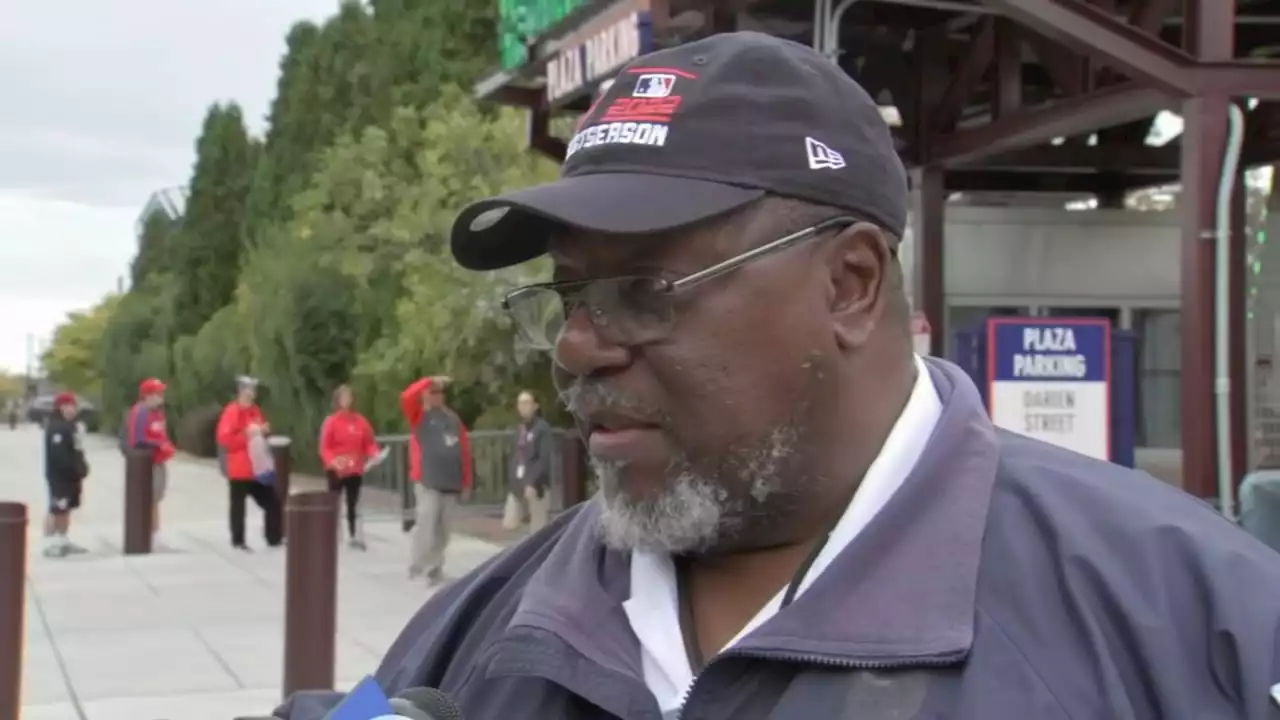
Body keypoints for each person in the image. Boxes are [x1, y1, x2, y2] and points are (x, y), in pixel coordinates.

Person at [275, 33, 1280, 720]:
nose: (579, 347)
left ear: (848, 284)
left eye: (640, 291)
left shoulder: (1192, 625)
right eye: (567, 302)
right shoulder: (484, 636)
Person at [399, 375, 471, 585]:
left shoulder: (453, 419)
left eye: (440, 392)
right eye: (433, 392)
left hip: (451, 482)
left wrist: (466, 481)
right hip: (428, 481)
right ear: (425, 395)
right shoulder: (419, 416)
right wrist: (428, 380)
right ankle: (419, 565)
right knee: (427, 523)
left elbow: (464, 451)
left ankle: (435, 567)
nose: (437, 396)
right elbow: (406, 397)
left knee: (444, 529)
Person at [216, 376, 283, 551]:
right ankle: (238, 541)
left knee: (272, 502)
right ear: (240, 391)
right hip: (239, 466)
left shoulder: (255, 411)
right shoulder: (232, 411)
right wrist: (248, 434)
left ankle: (274, 537)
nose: (251, 393)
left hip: (257, 468)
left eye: (253, 389)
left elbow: (260, 434)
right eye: (248, 389)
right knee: (238, 505)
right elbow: (225, 439)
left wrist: (263, 432)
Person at [319, 384, 380, 551]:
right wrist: (333, 461)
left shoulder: (360, 421)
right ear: (337, 400)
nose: (347, 400)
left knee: (353, 503)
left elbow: (369, 443)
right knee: (333, 502)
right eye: (343, 397)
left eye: (349, 396)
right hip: (336, 469)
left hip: (355, 469)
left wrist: (374, 454)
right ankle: (330, 536)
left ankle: (354, 535)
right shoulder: (331, 421)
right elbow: (325, 447)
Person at [126, 377, 176, 546]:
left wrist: (166, 444)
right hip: (148, 463)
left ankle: (155, 531)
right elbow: (138, 439)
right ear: (147, 395)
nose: (161, 396)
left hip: (159, 461)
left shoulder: (157, 413)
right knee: (150, 498)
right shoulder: (140, 412)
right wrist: (159, 445)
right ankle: (152, 533)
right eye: (157, 393)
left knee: (156, 498)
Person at [43, 392, 88, 558]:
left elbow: (77, 449)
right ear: (60, 407)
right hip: (59, 477)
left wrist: (82, 467)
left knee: (67, 508)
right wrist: (72, 469)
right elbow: (58, 455)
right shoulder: (56, 427)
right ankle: (50, 543)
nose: (72, 409)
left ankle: (63, 539)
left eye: (73, 406)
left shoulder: (72, 426)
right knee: (57, 508)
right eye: (68, 406)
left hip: (72, 476)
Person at [501, 390, 553, 533]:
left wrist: (532, 482)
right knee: (510, 525)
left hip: (536, 486)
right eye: (520, 403)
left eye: (526, 402)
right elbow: (515, 456)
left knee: (537, 529)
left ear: (535, 405)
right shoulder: (519, 429)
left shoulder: (542, 428)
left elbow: (543, 459)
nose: (523, 407)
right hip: (517, 484)